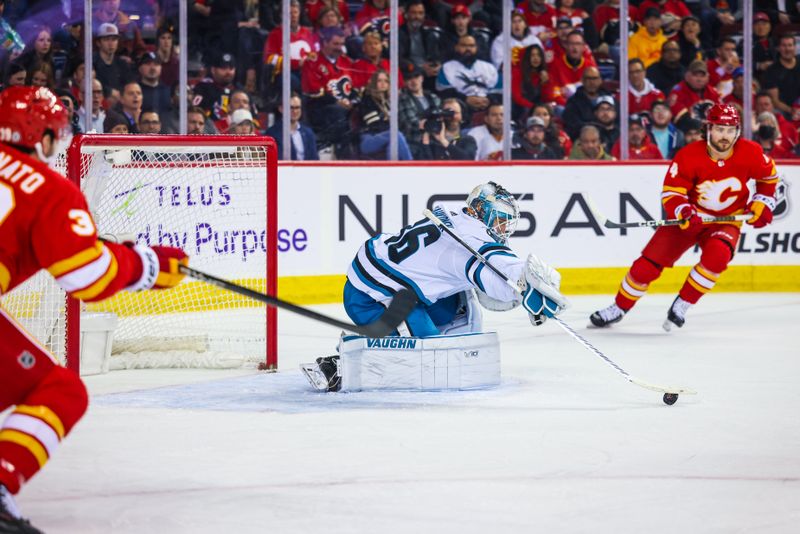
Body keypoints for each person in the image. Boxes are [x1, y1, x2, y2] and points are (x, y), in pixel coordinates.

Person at [0, 86, 188, 533]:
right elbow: (88, 279)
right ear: (39, 135)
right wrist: (146, 265)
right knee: (58, 389)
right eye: (55, 134)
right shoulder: (46, 187)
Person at [300, 182, 567, 392]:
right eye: (500, 219)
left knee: (462, 311)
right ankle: (344, 363)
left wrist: (523, 288)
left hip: (396, 281)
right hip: (374, 294)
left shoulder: (460, 221)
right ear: (482, 212)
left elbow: (489, 264)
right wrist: (524, 285)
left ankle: (396, 336)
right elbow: (496, 267)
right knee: (427, 362)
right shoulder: (469, 241)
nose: (503, 228)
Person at [590, 105, 779, 331]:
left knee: (717, 257)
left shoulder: (751, 152)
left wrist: (763, 202)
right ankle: (619, 307)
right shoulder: (689, 155)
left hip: (726, 221)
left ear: (737, 131)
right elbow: (672, 192)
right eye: (719, 129)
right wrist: (684, 211)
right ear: (708, 128)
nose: (725, 136)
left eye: (730, 130)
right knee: (645, 267)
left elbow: (769, 178)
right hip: (688, 220)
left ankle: (682, 304)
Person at [357, 70, 413, 160]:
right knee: (395, 135)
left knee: (393, 143)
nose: (383, 83)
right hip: (369, 139)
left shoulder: (387, 101)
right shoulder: (368, 99)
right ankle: (411, 166)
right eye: (379, 81)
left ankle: (393, 171)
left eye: (386, 81)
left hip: (386, 137)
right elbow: (375, 125)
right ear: (374, 82)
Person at [436, 34, 500, 113]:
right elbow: (444, 92)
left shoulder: (489, 67)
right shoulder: (446, 67)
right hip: (460, 108)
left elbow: (498, 91)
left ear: (476, 48)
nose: (468, 49)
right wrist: (465, 99)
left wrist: (488, 99)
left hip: (488, 108)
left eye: (471, 46)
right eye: (464, 45)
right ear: (456, 47)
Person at [398, 60, 442, 160]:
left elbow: (442, 120)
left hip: (436, 141)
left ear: (422, 78)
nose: (414, 81)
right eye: (409, 78)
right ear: (404, 82)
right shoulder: (402, 99)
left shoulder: (433, 97)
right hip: (416, 143)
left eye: (416, 77)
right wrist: (432, 124)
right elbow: (410, 124)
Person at [265, 94, 319, 161]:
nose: (295, 111)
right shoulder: (272, 133)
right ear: (280, 109)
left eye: (297, 107)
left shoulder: (308, 133)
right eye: (291, 108)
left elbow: (314, 159)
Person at [764, 34, 800, 117]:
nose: (787, 49)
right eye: (784, 46)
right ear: (779, 48)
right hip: (784, 110)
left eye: (790, 45)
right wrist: (792, 110)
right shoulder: (772, 70)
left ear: (795, 47)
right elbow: (775, 101)